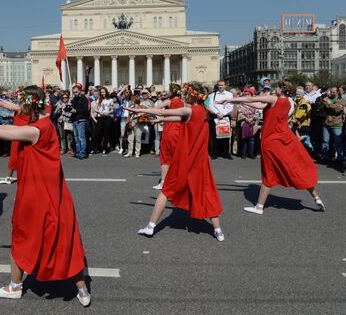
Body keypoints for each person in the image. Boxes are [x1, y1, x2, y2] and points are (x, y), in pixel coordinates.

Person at [0, 86, 90, 307]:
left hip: (35, 194)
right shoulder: (44, 122)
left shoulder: (35, 129)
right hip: (56, 192)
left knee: (20, 236)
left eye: (23, 104)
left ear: (29, 104)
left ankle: (15, 286)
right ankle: (82, 290)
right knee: (65, 238)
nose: (19, 109)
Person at [127, 82, 225, 242]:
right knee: (206, 192)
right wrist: (160, 120)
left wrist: (139, 109)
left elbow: (174, 112)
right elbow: (177, 117)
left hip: (184, 160)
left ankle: (151, 226)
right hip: (200, 162)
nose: (184, 95)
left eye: (187, 93)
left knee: (166, 191)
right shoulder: (204, 111)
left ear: (193, 95)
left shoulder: (189, 110)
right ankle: (218, 230)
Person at [219, 79, 326, 214]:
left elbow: (251, 98)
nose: (274, 89)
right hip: (285, 138)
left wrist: (229, 99)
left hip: (271, 139)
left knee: (268, 171)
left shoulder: (274, 98)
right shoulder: (288, 101)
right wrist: (238, 100)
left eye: (276, 87)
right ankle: (316, 198)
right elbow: (258, 105)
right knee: (297, 167)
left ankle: (259, 207)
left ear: (281, 89)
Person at [0, 96, 26, 185]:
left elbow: (6, 106)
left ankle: (9, 178)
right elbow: (10, 104)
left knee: (14, 157)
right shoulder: (28, 109)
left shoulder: (20, 109)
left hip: (18, 136)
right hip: (24, 135)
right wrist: (0, 100)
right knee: (21, 157)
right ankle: (11, 177)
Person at [151, 83, 184, 190]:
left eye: (169, 90)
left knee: (165, 156)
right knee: (176, 156)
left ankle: (164, 182)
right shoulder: (182, 102)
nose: (167, 92)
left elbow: (155, 109)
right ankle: (178, 180)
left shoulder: (169, 101)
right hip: (179, 129)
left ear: (173, 91)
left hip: (169, 130)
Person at [207, 80, 233, 159]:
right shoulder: (212, 95)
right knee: (215, 135)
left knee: (225, 135)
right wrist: (217, 113)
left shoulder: (229, 94)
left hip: (225, 117)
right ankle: (215, 153)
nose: (220, 86)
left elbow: (230, 106)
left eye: (222, 85)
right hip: (216, 117)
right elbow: (210, 105)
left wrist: (223, 113)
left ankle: (226, 153)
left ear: (225, 86)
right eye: (219, 85)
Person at [70, 83, 89, 160]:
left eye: (76, 92)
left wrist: (76, 110)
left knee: (81, 137)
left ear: (80, 91)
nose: (75, 93)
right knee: (76, 137)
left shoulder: (84, 98)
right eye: (74, 92)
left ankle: (83, 153)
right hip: (74, 119)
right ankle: (78, 152)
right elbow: (72, 107)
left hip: (81, 119)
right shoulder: (74, 99)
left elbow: (85, 109)